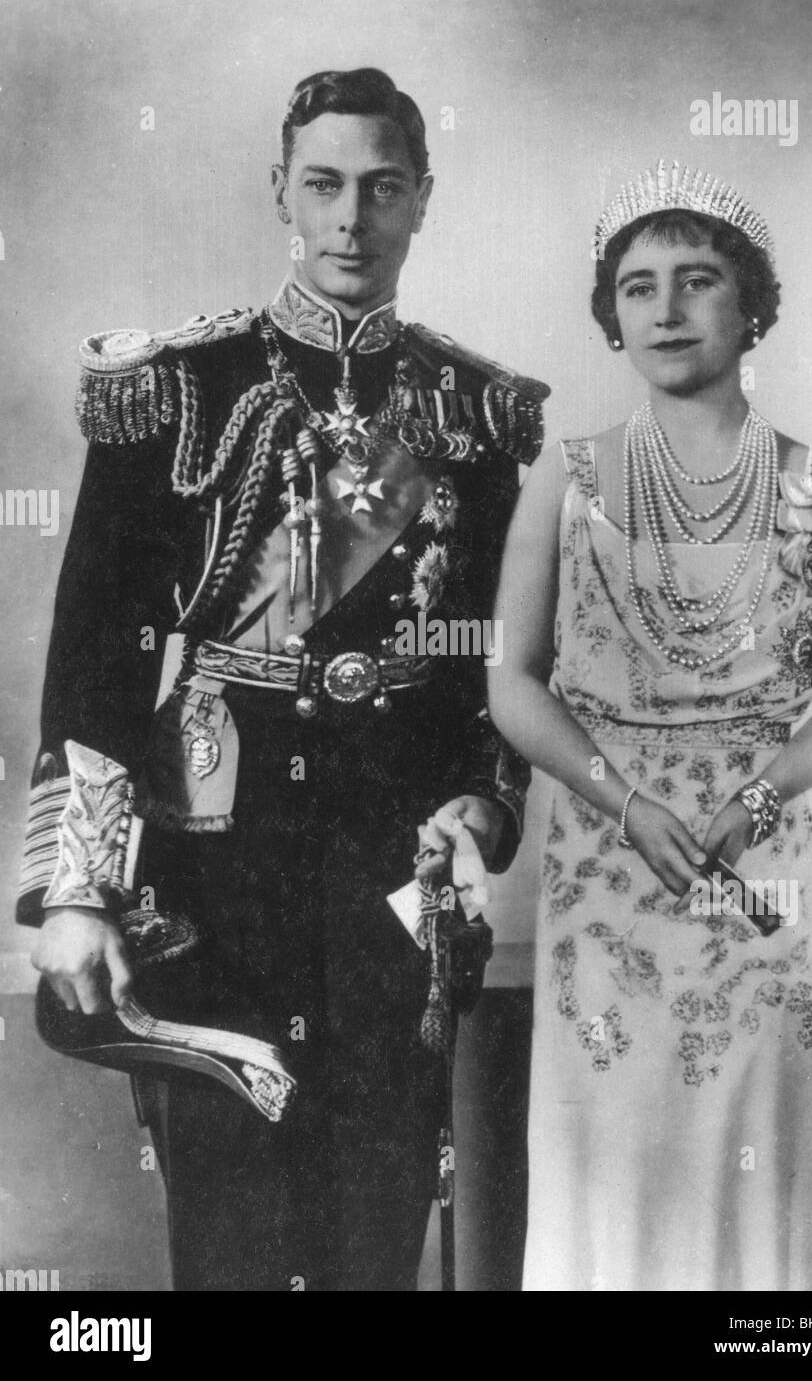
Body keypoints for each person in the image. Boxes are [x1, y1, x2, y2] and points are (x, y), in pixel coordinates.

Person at [18, 66, 549, 1292]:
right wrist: (78, 894)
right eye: (323, 186)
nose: (350, 219)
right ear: (281, 195)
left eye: (380, 189)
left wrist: (482, 803)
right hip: (214, 851)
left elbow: (497, 655)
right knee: (231, 1226)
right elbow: (97, 653)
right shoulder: (177, 389)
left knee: (373, 1226)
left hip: (388, 868)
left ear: (423, 202)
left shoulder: (469, 413)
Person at [489, 161, 812, 1291]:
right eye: (636, 286)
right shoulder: (565, 481)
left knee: (749, 1149)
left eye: (697, 279)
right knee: (611, 1157)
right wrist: (623, 798)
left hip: (754, 860)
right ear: (610, 316)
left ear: (749, 303)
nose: (664, 308)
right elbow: (510, 684)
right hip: (606, 856)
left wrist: (750, 800)